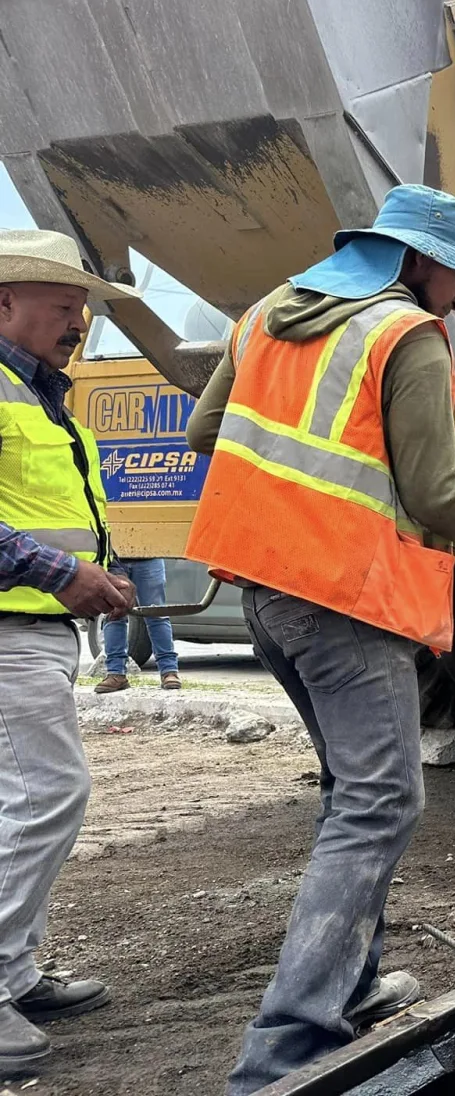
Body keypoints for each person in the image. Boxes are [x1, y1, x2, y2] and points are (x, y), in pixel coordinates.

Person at [185, 185, 455, 1093]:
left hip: (267, 596)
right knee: (381, 803)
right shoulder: (404, 335)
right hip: (344, 599)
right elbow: (440, 495)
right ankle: (286, 1050)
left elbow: (209, 430)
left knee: (351, 792)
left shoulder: (264, 316)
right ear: (421, 261)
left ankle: (356, 986)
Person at [0, 229, 135, 1071]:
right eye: (63, 304)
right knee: (50, 795)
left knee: (26, 800)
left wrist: (101, 574)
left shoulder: (40, 395)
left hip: (34, 628)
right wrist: (61, 575)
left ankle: (14, 970)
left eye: (82, 306)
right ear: (4, 302)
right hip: (11, 628)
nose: (78, 319)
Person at [94, 557, 182, 692]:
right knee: (114, 613)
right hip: (116, 558)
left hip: (149, 555)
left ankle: (169, 671)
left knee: (156, 613)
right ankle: (116, 673)